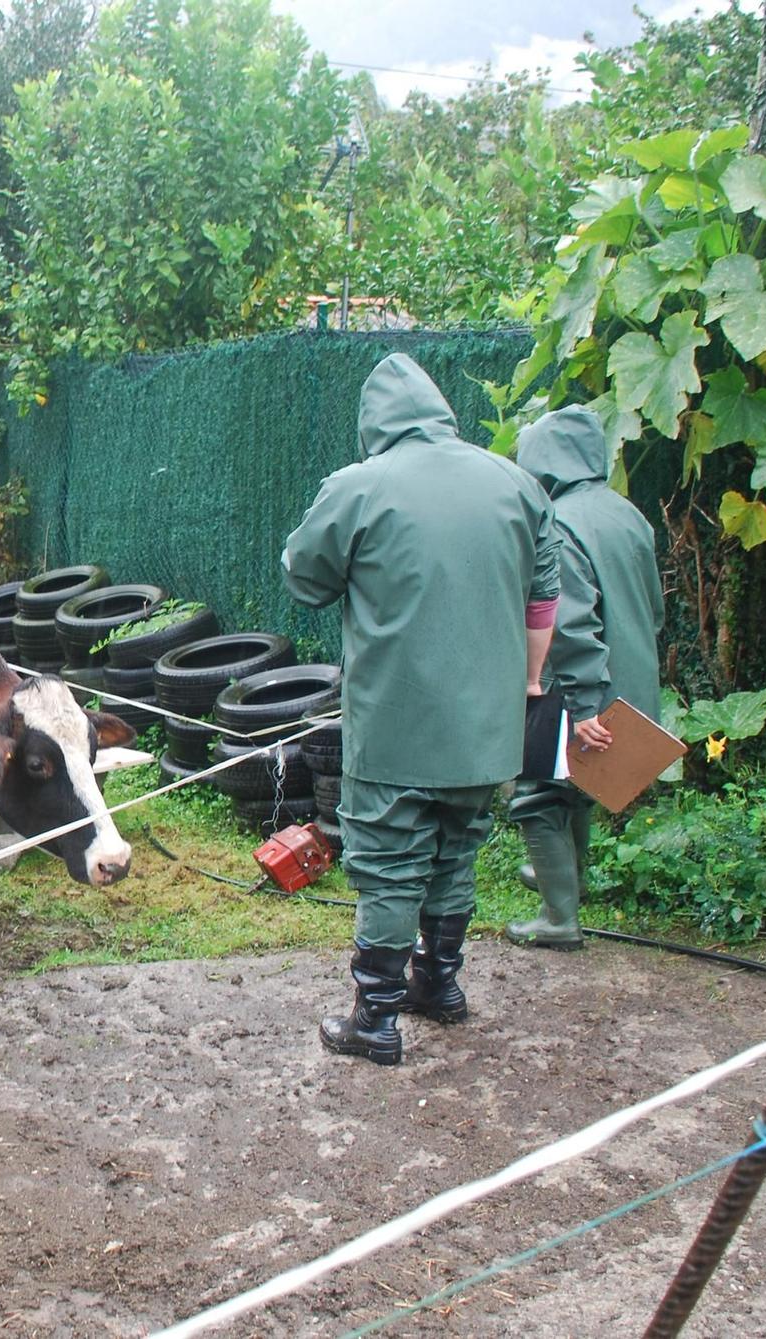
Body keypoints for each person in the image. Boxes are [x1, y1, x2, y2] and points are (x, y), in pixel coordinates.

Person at [281, 352, 561, 1067]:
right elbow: (544, 597)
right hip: (486, 727)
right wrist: (530, 683)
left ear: (374, 423)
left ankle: (373, 1018)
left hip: (397, 720)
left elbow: (303, 575)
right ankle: (438, 985)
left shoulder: (360, 486)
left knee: (389, 862)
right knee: (456, 847)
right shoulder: (517, 484)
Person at [506, 406, 663, 950]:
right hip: (629, 680)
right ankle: (570, 881)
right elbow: (654, 608)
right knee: (579, 789)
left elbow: (570, 623)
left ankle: (558, 918)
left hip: (578, 687)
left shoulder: (562, 523)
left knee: (536, 796)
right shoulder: (626, 513)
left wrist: (583, 704)